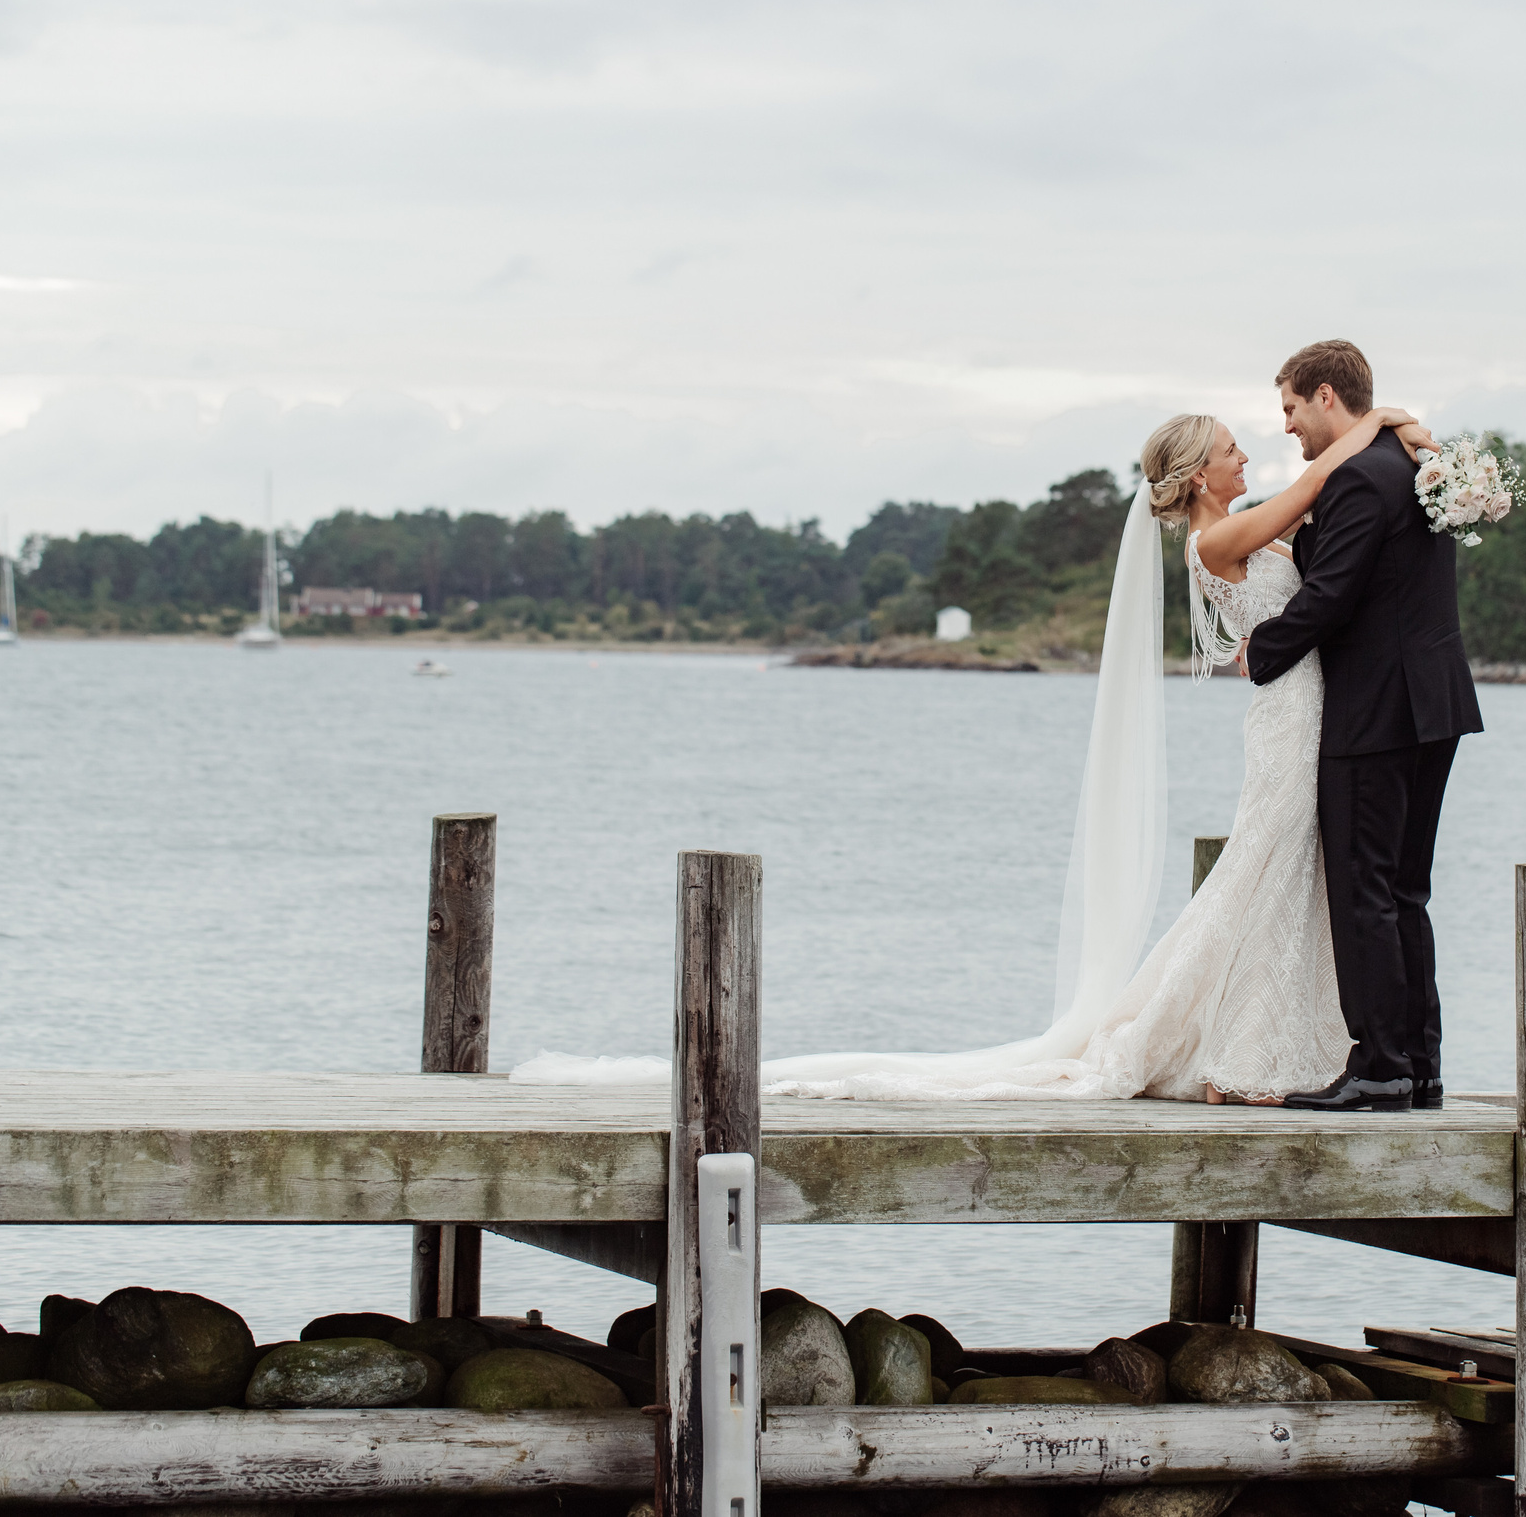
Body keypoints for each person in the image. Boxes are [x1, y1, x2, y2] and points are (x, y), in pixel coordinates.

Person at [512, 393, 1436, 1101]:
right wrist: (1381, 423)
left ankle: (1284, 1042)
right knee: (1265, 868)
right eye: (1234, 447)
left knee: (1288, 874)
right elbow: (1317, 488)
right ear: (1200, 475)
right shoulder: (1220, 536)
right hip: (1290, 724)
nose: (1250, 453)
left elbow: (1324, 529)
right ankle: (1230, 1040)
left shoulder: (1240, 522)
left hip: (1310, 713)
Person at [1245, 340, 1483, 1113]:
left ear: (1323, 396)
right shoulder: (1416, 466)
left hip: (1377, 709)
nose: (1286, 427)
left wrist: (1261, 651)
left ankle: (1379, 1064)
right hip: (1435, 704)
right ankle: (1419, 1066)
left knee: (1364, 889)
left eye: (1288, 408)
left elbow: (1331, 595)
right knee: (1406, 889)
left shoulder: (1357, 477)